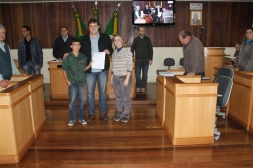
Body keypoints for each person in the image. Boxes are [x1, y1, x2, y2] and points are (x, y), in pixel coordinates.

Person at [79, 18, 113, 121]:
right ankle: (90, 113)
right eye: (91, 26)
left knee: (102, 92)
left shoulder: (105, 37)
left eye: (95, 26)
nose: (93, 28)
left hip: (102, 70)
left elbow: (110, 49)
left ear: (98, 26)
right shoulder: (83, 39)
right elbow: (78, 52)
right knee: (90, 93)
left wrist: (109, 51)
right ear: (88, 28)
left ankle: (103, 113)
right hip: (89, 70)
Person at [62, 38, 92, 126]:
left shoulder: (83, 56)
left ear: (80, 46)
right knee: (72, 101)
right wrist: (67, 81)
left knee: (82, 101)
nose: (76, 46)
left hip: (81, 82)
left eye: (78, 44)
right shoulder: (67, 57)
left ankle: (81, 118)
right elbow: (64, 70)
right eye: (74, 44)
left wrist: (89, 65)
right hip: (72, 82)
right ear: (71, 46)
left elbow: (84, 69)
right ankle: (72, 118)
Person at [110, 34, 133, 123]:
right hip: (116, 77)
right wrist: (112, 78)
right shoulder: (114, 52)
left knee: (125, 97)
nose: (117, 41)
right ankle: (119, 113)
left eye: (118, 40)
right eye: (115, 40)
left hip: (124, 77)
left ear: (122, 41)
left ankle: (126, 114)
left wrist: (127, 79)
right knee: (118, 96)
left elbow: (129, 66)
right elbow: (113, 67)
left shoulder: (127, 52)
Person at [131, 27, 153, 93]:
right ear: (138, 32)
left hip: (146, 59)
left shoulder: (148, 39)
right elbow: (132, 48)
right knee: (137, 74)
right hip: (138, 59)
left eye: (144, 31)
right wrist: (132, 56)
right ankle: (138, 87)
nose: (143, 32)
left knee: (145, 74)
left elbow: (151, 50)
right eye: (141, 31)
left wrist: (150, 59)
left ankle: (143, 86)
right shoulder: (136, 39)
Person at [0, 24, 20, 88]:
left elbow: (11, 62)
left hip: (7, 79)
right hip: (1, 81)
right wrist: (0, 79)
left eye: (3, 33)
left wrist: (17, 73)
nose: (2, 35)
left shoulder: (6, 46)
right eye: (0, 33)